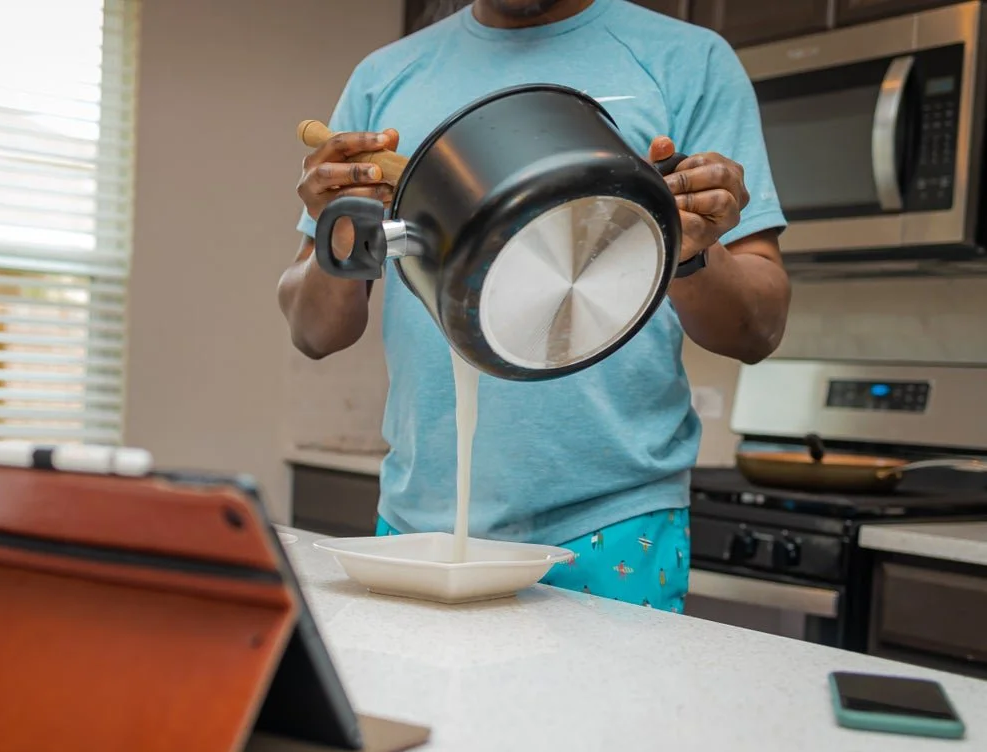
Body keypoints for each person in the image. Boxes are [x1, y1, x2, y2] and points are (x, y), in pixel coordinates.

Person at [276, 0, 789, 613]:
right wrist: (341, 232)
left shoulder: (687, 61)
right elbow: (314, 331)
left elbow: (758, 328)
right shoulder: (385, 77)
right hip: (420, 524)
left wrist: (687, 251)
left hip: (613, 524)